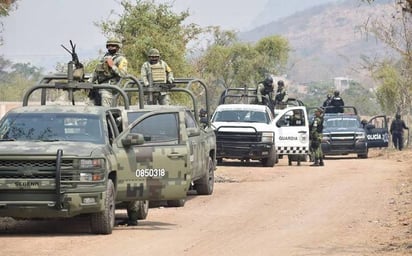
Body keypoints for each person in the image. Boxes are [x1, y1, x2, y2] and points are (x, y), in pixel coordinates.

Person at [90, 37, 128, 106]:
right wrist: (89, 82)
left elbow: (123, 74)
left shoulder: (121, 59)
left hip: (110, 88)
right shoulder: (104, 58)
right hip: (99, 87)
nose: (110, 48)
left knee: (105, 109)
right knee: (91, 106)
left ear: (118, 47)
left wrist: (112, 65)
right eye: (109, 46)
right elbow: (96, 71)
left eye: (113, 46)